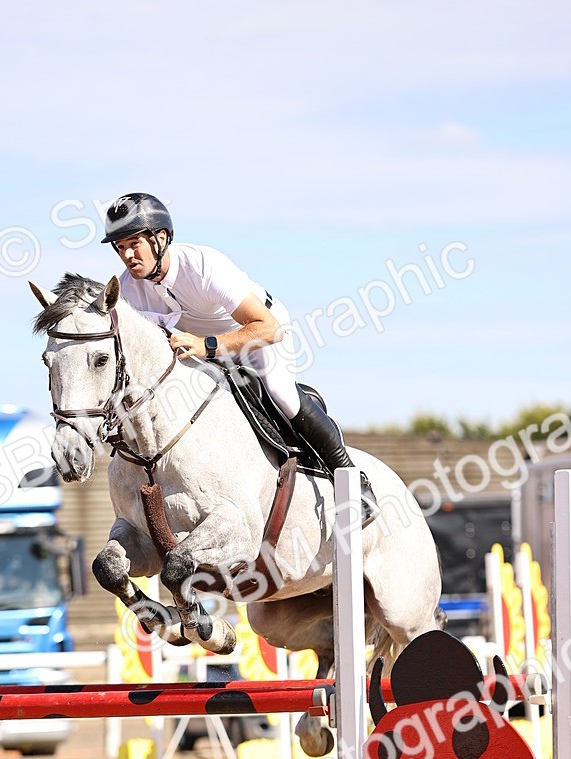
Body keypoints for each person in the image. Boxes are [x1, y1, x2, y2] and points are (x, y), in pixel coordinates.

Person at [101, 192, 378, 524]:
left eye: (134, 242)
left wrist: (210, 345)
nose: (127, 254)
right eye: (120, 246)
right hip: (200, 349)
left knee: (281, 393)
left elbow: (269, 328)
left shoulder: (203, 266)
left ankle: (352, 480)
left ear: (160, 238)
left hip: (255, 334)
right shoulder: (126, 290)